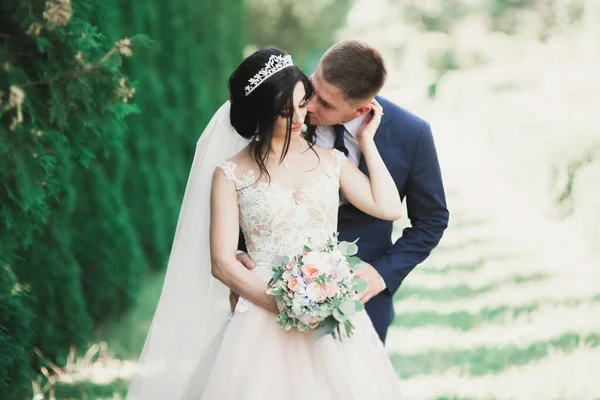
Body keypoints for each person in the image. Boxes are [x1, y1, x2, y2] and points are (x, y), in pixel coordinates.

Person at [127, 48, 404, 399]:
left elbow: (390, 207)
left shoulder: (332, 161)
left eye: (303, 104)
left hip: (330, 311)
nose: (300, 119)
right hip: (260, 313)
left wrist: (367, 142)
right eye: (286, 112)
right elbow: (222, 263)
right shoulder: (230, 173)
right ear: (261, 113)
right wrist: (286, 305)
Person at [237, 40, 449, 343]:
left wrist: (381, 273)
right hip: (268, 294)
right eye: (313, 87)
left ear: (360, 109)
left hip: (358, 297)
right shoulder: (282, 113)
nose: (308, 107)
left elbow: (432, 221)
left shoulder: (412, 135)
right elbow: (245, 183)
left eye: (325, 104)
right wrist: (240, 250)